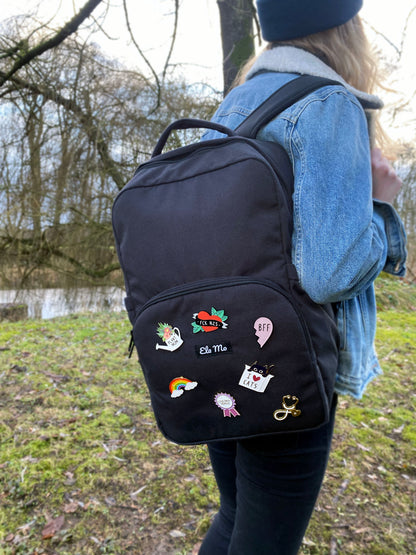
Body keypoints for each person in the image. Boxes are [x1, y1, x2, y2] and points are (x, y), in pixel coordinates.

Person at [197, 1, 407, 554]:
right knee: (265, 542)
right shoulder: (328, 102)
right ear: (347, 30)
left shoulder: (238, 100)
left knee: (233, 515)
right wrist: (380, 203)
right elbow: (330, 272)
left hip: (219, 350)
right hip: (287, 364)